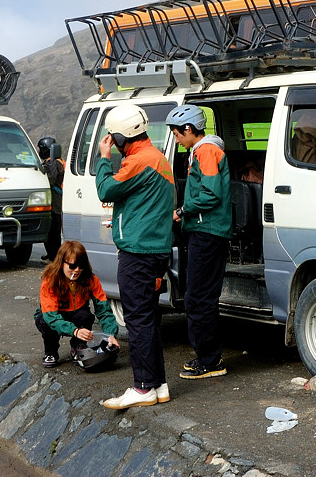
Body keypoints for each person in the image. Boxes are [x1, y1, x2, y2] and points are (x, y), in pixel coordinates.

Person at [96, 105, 176, 409]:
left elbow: (107, 189)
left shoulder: (139, 161)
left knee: (138, 321)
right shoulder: (156, 158)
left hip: (138, 253)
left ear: (119, 136)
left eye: (112, 137)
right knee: (149, 320)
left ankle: (143, 387)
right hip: (154, 250)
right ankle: (159, 385)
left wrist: (105, 159)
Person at [166, 105, 232, 380]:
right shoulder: (204, 150)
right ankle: (208, 357)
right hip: (206, 230)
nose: (176, 140)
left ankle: (209, 361)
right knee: (200, 296)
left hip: (208, 231)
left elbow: (210, 193)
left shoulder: (205, 151)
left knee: (198, 297)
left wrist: (182, 211)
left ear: (189, 129)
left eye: (177, 134)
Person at [35, 240, 122, 367]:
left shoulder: (91, 279)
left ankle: (78, 347)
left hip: (78, 315)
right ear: (61, 263)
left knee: (85, 316)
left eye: (80, 266)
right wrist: (75, 331)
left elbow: (104, 310)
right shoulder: (49, 281)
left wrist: (109, 335)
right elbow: (51, 317)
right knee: (44, 320)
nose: (76, 270)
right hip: (54, 316)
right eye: (72, 266)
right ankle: (51, 352)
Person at [38, 136, 64, 263]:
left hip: (55, 201)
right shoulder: (58, 162)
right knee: (53, 231)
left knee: (52, 232)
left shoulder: (53, 163)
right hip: (56, 200)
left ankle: (54, 257)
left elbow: (51, 180)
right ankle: (52, 255)